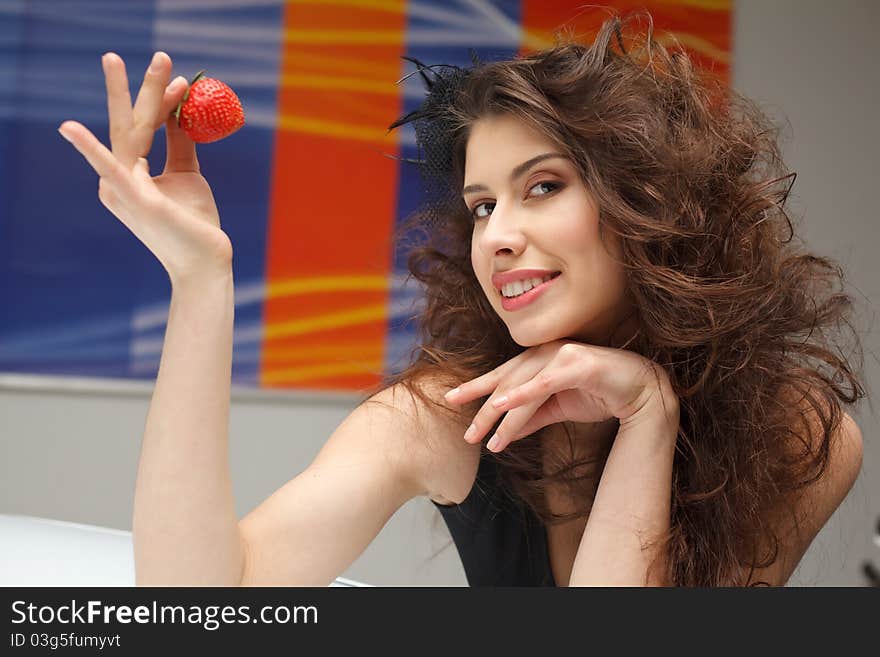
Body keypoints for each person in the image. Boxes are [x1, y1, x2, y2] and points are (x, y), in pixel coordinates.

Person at [57, 11, 865, 587]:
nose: (497, 236)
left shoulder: (800, 432)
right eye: (481, 206)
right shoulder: (445, 413)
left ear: (653, 205)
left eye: (541, 187)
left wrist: (648, 414)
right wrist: (200, 280)